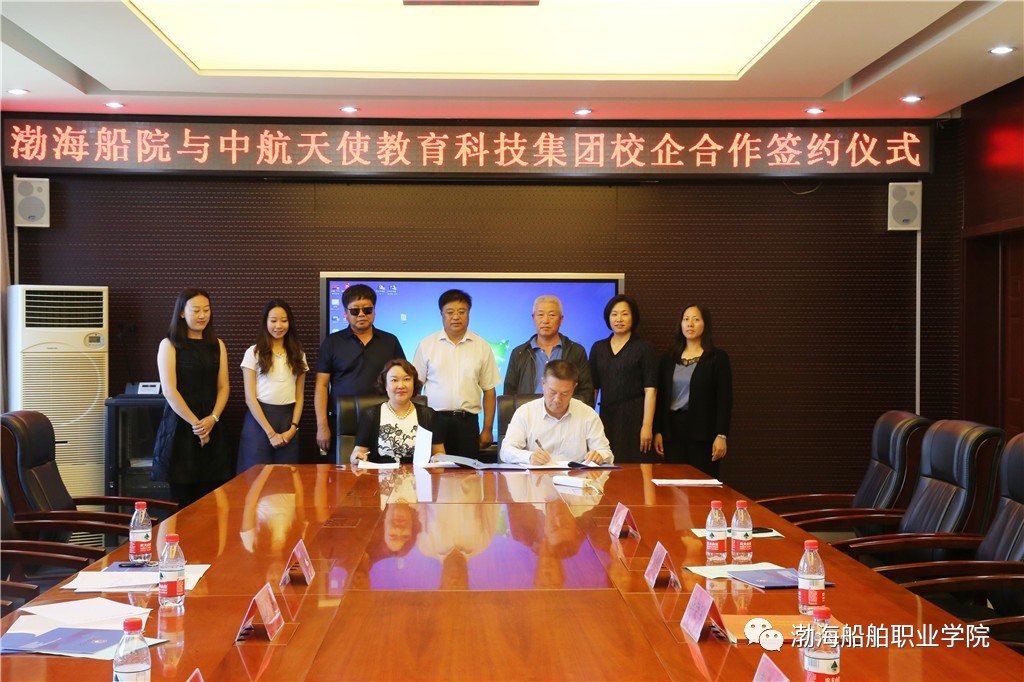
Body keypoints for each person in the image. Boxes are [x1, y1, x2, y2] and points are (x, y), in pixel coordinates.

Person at [152, 288, 231, 506]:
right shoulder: (169, 344)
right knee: (181, 502)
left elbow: (224, 387)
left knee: (212, 501)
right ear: (182, 313)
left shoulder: (218, 345)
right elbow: (169, 391)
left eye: (206, 310)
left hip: (213, 426)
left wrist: (212, 419)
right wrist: (197, 425)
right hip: (181, 426)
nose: (202, 315)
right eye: (196, 310)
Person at [314, 284, 405, 458]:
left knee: (383, 472)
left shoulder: (390, 341)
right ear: (345, 313)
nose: (361, 315)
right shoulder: (332, 342)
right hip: (342, 421)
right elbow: (321, 386)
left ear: (374, 311)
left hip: (383, 420)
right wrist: (322, 425)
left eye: (367, 310)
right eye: (355, 311)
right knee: (341, 472)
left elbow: (402, 381)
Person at [412, 289, 501, 459]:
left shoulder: (481, 346)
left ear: (469, 313)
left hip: (467, 422)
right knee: (433, 471)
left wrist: (487, 429)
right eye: (450, 312)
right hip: (434, 420)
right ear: (441, 314)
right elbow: (415, 389)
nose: (456, 317)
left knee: (467, 472)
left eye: (462, 312)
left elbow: (489, 390)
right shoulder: (427, 345)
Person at [654, 304, 733, 477]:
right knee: (674, 482)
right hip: (672, 431)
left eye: (696, 319)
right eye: (686, 319)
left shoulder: (717, 358)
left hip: (703, 431)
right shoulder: (668, 358)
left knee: (702, 481)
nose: (690, 324)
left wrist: (721, 435)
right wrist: (658, 431)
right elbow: (661, 398)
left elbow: (724, 399)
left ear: (705, 324)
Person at [237, 299, 308, 472]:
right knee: (255, 478)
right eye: (273, 320)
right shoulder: (253, 352)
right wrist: (270, 433)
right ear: (265, 322)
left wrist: (293, 428)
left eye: (284, 320)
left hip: (287, 423)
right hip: (259, 423)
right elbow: (249, 398)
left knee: (286, 479)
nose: (279, 326)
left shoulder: (298, 355)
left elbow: (300, 397)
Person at [500, 360, 613, 465]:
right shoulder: (525, 412)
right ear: (543, 383)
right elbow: (506, 451)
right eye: (552, 392)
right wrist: (529, 457)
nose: (557, 400)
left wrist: (599, 456)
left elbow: (605, 452)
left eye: (564, 394)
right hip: (536, 478)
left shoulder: (587, 414)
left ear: (574, 388)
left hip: (575, 477)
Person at [589, 295, 658, 463]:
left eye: (625, 314)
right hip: (606, 416)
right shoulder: (598, 348)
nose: (619, 319)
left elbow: (651, 390)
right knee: (606, 462)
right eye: (614, 314)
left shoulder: (644, 347)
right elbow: (593, 389)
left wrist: (647, 426)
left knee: (634, 466)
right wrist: (587, 424)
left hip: (635, 417)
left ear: (633, 317)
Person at [504, 295, 594, 405]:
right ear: (533, 317)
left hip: (566, 413)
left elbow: (586, 392)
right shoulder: (519, 353)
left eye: (552, 315)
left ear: (561, 319)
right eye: (540, 315)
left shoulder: (576, 351)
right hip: (529, 414)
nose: (545, 320)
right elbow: (508, 396)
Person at [351, 359, 445, 464]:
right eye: (394, 380)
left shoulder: (428, 415)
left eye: (406, 379)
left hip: (419, 474)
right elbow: (358, 453)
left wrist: (438, 458)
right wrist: (357, 457)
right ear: (385, 385)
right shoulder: (371, 415)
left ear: (414, 383)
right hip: (379, 474)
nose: (401, 385)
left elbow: (439, 452)